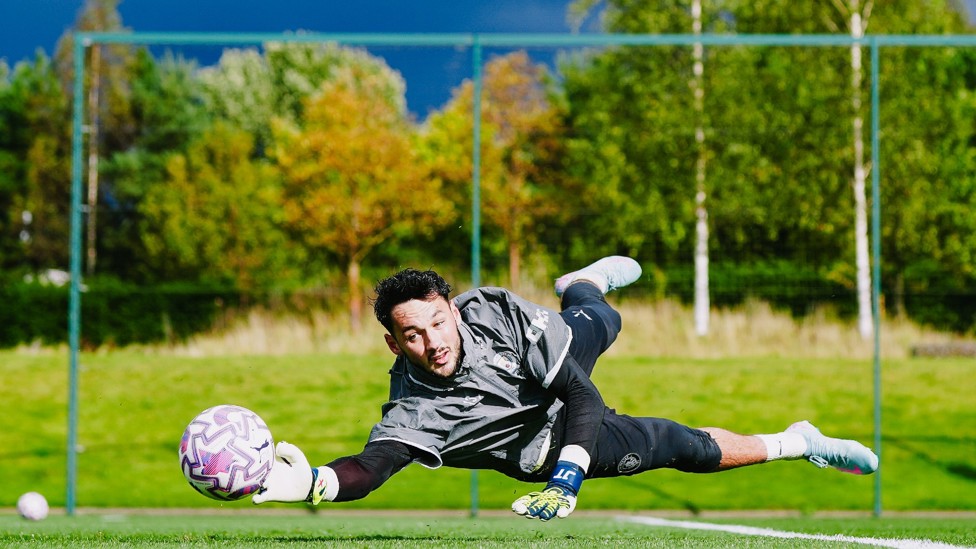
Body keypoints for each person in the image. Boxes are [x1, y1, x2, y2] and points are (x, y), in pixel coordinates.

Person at [252, 256, 878, 520]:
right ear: (393, 344)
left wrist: (570, 483)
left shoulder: (494, 313)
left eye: (439, 321)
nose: (434, 341)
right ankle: (799, 441)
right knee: (682, 447)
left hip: (553, 384)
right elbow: (372, 466)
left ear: (454, 310)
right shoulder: (415, 411)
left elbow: (583, 398)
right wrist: (310, 484)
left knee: (603, 319)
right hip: (539, 450)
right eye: (412, 335)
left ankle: (582, 283)